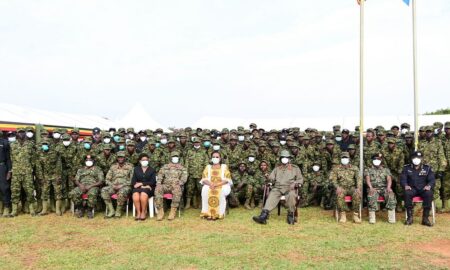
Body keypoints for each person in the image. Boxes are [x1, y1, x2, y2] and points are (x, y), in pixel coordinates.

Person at [253, 150, 303, 225]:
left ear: (289, 159)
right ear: (280, 159)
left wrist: (295, 183)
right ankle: (264, 215)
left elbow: (300, 179)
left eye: (286, 157)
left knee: (291, 195)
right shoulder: (277, 169)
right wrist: (268, 178)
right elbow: (271, 178)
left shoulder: (295, 168)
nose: (284, 159)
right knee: (272, 195)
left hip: (289, 188)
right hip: (277, 187)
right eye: (283, 157)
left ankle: (290, 215)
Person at [400, 151, 435, 226]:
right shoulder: (406, 168)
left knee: (429, 193)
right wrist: (405, 185)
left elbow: (432, 179)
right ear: (411, 159)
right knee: (406, 193)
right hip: (412, 189)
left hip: (423, 189)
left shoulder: (427, 168)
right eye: (414, 158)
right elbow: (403, 179)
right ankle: (409, 218)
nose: (416, 159)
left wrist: (429, 185)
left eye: (418, 158)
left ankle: (425, 219)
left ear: (421, 158)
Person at [329, 152, 362, 223]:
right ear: (340, 159)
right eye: (343, 158)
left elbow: (358, 179)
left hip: (352, 188)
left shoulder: (354, 168)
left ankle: (355, 215)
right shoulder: (336, 168)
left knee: (357, 194)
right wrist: (337, 187)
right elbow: (333, 179)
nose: (344, 159)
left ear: (349, 159)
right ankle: (343, 214)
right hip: (341, 188)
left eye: (346, 158)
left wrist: (358, 188)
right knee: (340, 195)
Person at [10, 128, 36, 217]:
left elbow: (33, 158)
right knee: (15, 191)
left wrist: (30, 168)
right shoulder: (12, 145)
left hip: (27, 172)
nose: (21, 134)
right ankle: (14, 210)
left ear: (25, 133)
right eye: (19, 133)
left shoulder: (30, 144)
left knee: (29, 190)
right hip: (16, 171)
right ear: (17, 134)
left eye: (22, 132)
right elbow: (10, 158)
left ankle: (31, 209)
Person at [155, 151, 188, 221]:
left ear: (178, 158)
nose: (175, 158)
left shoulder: (182, 168)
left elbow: (184, 177)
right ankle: (160, 211)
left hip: (175, 185)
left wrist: (180, 183)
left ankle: (173, 211)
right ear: (171, 158)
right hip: (165, 185)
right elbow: (160, 175)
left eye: (176, 157)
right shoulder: (165, 167)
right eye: (173, 157)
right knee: (158, 189)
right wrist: (158, 183)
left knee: (177, 190)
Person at [364, 153, 396, 224]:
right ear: (372, 160)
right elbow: (367, 179)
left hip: (384, 188)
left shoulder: (386, 169)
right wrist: (371, 187)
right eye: (375, 159)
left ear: (381, 160)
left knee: (391, 195)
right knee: (371, 195)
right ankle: (372, 219)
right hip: (373, 188)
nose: (376, 160)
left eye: (378, 159)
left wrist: (388, 187)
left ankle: (391, 219)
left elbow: (389, 179)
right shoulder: (368, 169)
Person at [199, 151, 232, 220]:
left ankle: (218, 214)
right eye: (213, 157)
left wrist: (217, 185)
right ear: (211, 158)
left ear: (220, 158)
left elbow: (227, 179)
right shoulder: (208, 167)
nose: (215, 158)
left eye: (217, 157)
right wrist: (211, 184)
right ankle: (207, 213)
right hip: (210, 184)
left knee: (220, 191)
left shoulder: (224, 167)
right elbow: (204, 179)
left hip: (222, 185)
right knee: (205, 189)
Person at [69, 154, 104, 219]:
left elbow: (101, 181)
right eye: (87, 160)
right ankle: (80, 208)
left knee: (92, 193)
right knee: (73, 193)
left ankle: (89, 210)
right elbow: (76, 180)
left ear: (93, 161)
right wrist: (80, 185)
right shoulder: (81, 169)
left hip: (93, 186)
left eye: (90, 160)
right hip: (81, 186)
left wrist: (90, 186)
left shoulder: (98, 169)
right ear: (85, 161)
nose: (88, 161)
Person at [35, 139, 63, 216]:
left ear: (49, 145)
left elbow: (59, 165)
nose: (45, 146)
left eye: (46, 144)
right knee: (44, 192)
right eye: (43, 144)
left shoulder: (55, 153)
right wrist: (41, 178)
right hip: (45, 176)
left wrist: (59, 176)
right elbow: (38, 167)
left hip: (55, 175)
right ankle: (44, 210)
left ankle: (57, 210)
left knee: (58, 192)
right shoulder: (39, 154)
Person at [101, 151, 133, 218]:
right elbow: (107, 179)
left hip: (125, 186)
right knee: (104, 190)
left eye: (122, 157)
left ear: (125, 158)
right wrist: (112, 185)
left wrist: (122, 185)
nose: (120, 159)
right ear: (117, 158)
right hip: (114, 186)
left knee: (121, 192)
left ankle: (118, 212)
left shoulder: (130, 167)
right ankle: (111, 211)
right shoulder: (113, 167)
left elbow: (132, 180)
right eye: (119, 157)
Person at [131, 153, 157, 220]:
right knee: (135, 195)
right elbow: (133, 181)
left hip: (150, 188)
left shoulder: (152, 170)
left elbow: (153, 182)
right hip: (139, 188)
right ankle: (138, 212)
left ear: (148, 161)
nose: (145, 161)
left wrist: (141, 183)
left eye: (146, 160)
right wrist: (143, 185)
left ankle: (143, 212)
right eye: (143, 160)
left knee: (143, 194)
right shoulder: (136, 169)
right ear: (140, 161)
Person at [0, 134, 12, 217]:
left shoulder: (4, 142)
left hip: (2, 167)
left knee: (4, 188)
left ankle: (7, 207)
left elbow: (8, 158)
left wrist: (9, 171)